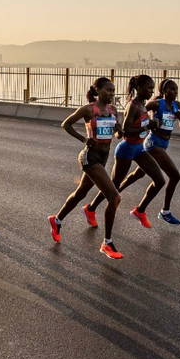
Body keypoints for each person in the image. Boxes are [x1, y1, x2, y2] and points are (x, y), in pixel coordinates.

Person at [47, 77, 127, 260]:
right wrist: (84, 139)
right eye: (108, 90)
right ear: (97, 91)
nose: (111, 94)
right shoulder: (89, 109)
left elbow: (115, 131)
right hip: (89, 158)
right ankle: (107, 243)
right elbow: (65, 124)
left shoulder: (113, 110)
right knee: (114, 197)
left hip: (103, 157)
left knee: (80, 193)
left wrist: (119, 132)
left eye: (113, 91)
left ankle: (56, 219)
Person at [83, 74, 165, 230]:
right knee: (115, 186)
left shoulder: (143, 105)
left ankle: (140, 210)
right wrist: (147, 127)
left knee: (160, 180)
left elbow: (142, 125)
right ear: (138, 88)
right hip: (127, 149)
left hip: (139, 148)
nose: (151, 91)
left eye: (152, 88)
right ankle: (91, 208)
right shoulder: (133, 105)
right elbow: (126, 131)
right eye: (148, 88)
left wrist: (153, 124)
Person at [114, 78, 180, 224]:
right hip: (153, 143)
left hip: (164, 143)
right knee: (174, 176)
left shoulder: (177, 105)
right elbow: (139, 113)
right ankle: (165, 211)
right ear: (163, 91)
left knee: (138, 174)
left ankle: (116, 194)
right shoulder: (155, 103)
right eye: (171, 89)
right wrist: (148, 124)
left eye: (176, 90)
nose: (174, 92)